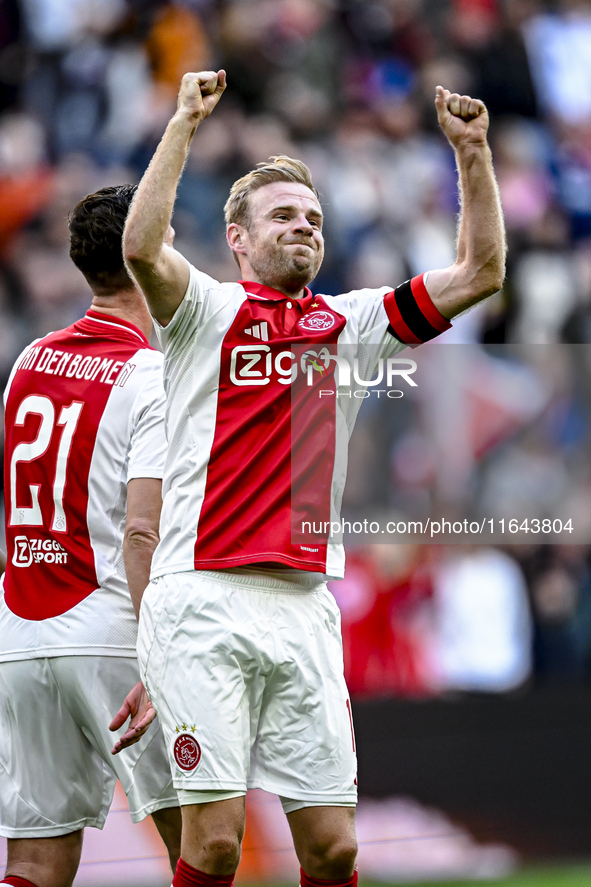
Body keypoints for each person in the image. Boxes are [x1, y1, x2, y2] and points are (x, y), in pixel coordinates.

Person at [123, 71, 505, 887]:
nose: (304, 228)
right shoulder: (205, 312)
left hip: (302, 606)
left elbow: (479, 271)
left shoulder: (353, 324)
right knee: (217, 843)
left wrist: (472, 153)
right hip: (201, 599)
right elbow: (140, 249)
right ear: (237, 237)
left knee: (333, 848)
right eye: (283, 216)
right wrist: (184, 124)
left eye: (313, 219)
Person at [0, 185, 181, 887]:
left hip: (20, 628)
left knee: (34, 859)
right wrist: (160, 650)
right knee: (200, 836)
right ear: (150, 254)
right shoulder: (150, 374)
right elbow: (142, 528)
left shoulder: (29, 360)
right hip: (112, 630)